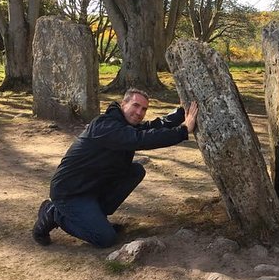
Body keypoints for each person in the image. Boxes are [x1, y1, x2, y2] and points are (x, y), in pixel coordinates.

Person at [32, 88, 198, 247]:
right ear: (122, 104)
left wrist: (182, 113)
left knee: (135, 171)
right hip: (70, 193)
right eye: (135, 106)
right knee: (105, 239)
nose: (139, 112)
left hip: (91, 187)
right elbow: (140, 139)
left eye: (144, 109)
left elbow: (153, 126)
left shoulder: (126, 125)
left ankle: (96, 218)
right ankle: (53, 213)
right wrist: (183, 130)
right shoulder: (104, 126)